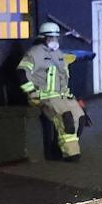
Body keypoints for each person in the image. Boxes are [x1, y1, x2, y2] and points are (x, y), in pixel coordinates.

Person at [17, 20, 90, 161]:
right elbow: (21, 73)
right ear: (43, 38)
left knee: (80, 117)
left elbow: (64, 78)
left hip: (63, 96)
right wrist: (32, 93)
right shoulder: (35, 53)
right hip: (44, 97)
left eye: (56, 37)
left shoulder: (59, 54)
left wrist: (76, 99)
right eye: (51, 38)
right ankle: (71, 154)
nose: (54, 40)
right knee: (66, 117)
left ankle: (60, 148)